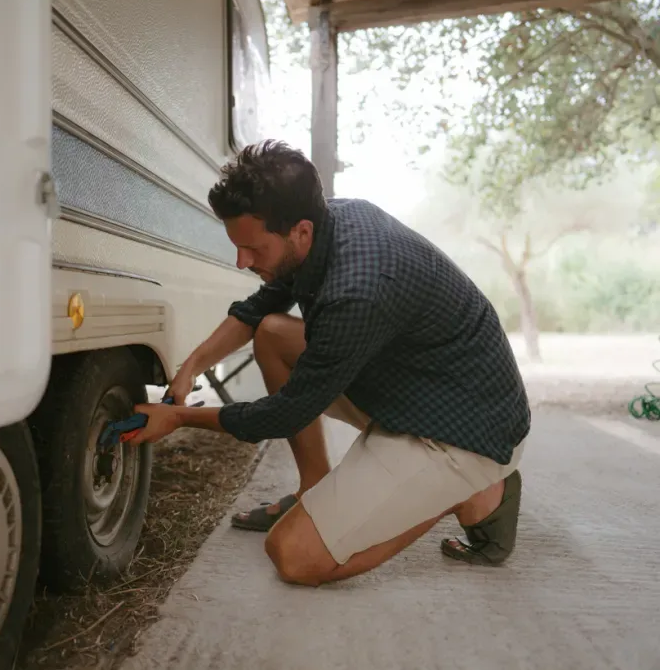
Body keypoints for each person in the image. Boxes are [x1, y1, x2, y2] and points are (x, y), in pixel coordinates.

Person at [128, 140, 531, 586]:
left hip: (464, 430)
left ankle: (469, 490)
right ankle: (312, 488)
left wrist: (180, 418)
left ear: (299, 232)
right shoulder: (325, 219)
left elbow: (286, 412)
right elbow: (257, 310)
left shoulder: (358, 291)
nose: (242, 262)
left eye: (254, 249)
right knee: (274, 333)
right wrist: (189, 369)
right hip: (416, 383)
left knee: (294, 557)